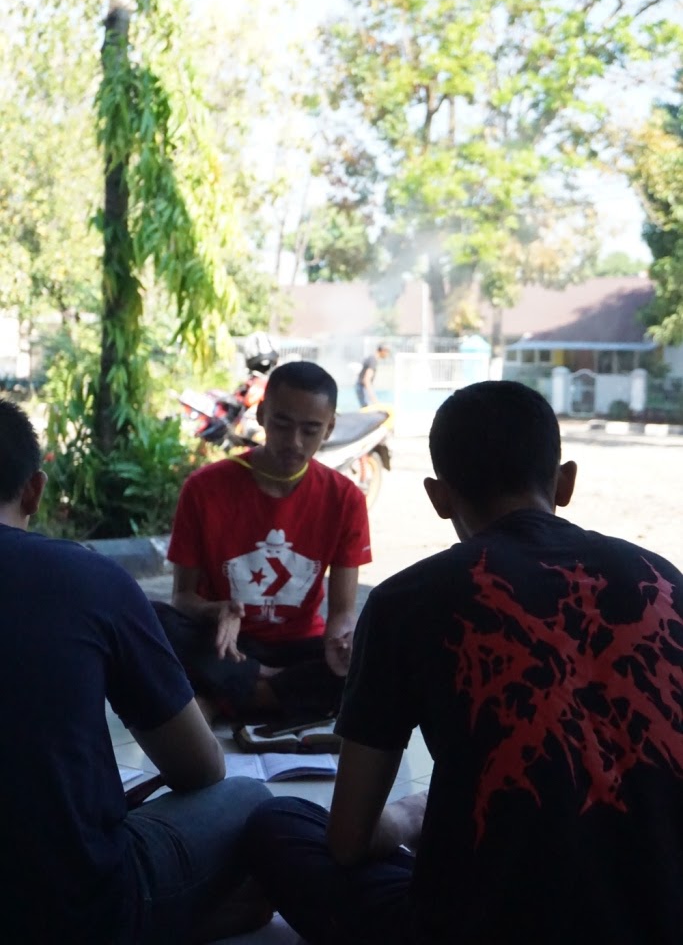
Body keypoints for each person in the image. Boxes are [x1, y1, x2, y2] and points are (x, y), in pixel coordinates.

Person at [245, 380, 683, 945]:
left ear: (439, 497)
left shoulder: (409, 599)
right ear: (565, 482)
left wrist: (414, 815)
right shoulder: (664, 582)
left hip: (476, 927)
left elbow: (349, 841)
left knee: (279, 823)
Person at [0, 398, 272, 945]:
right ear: (34, 490)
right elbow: (200, 770)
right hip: (73, 906)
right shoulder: (86, 578)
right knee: (250, 800)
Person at [154, 360, 371, 723]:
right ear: (261, 415)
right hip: (224, 644)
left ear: (330, 428)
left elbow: (342, 613)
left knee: (372, 663)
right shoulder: (204, 488)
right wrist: (216, 610)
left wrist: (344, 642)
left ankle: (226, 697)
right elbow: (182, 599)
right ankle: (270, 690)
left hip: (298, 649)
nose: (294, 442)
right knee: (151, 620)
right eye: (282, 424)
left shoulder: (345, 498)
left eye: (310, 429)